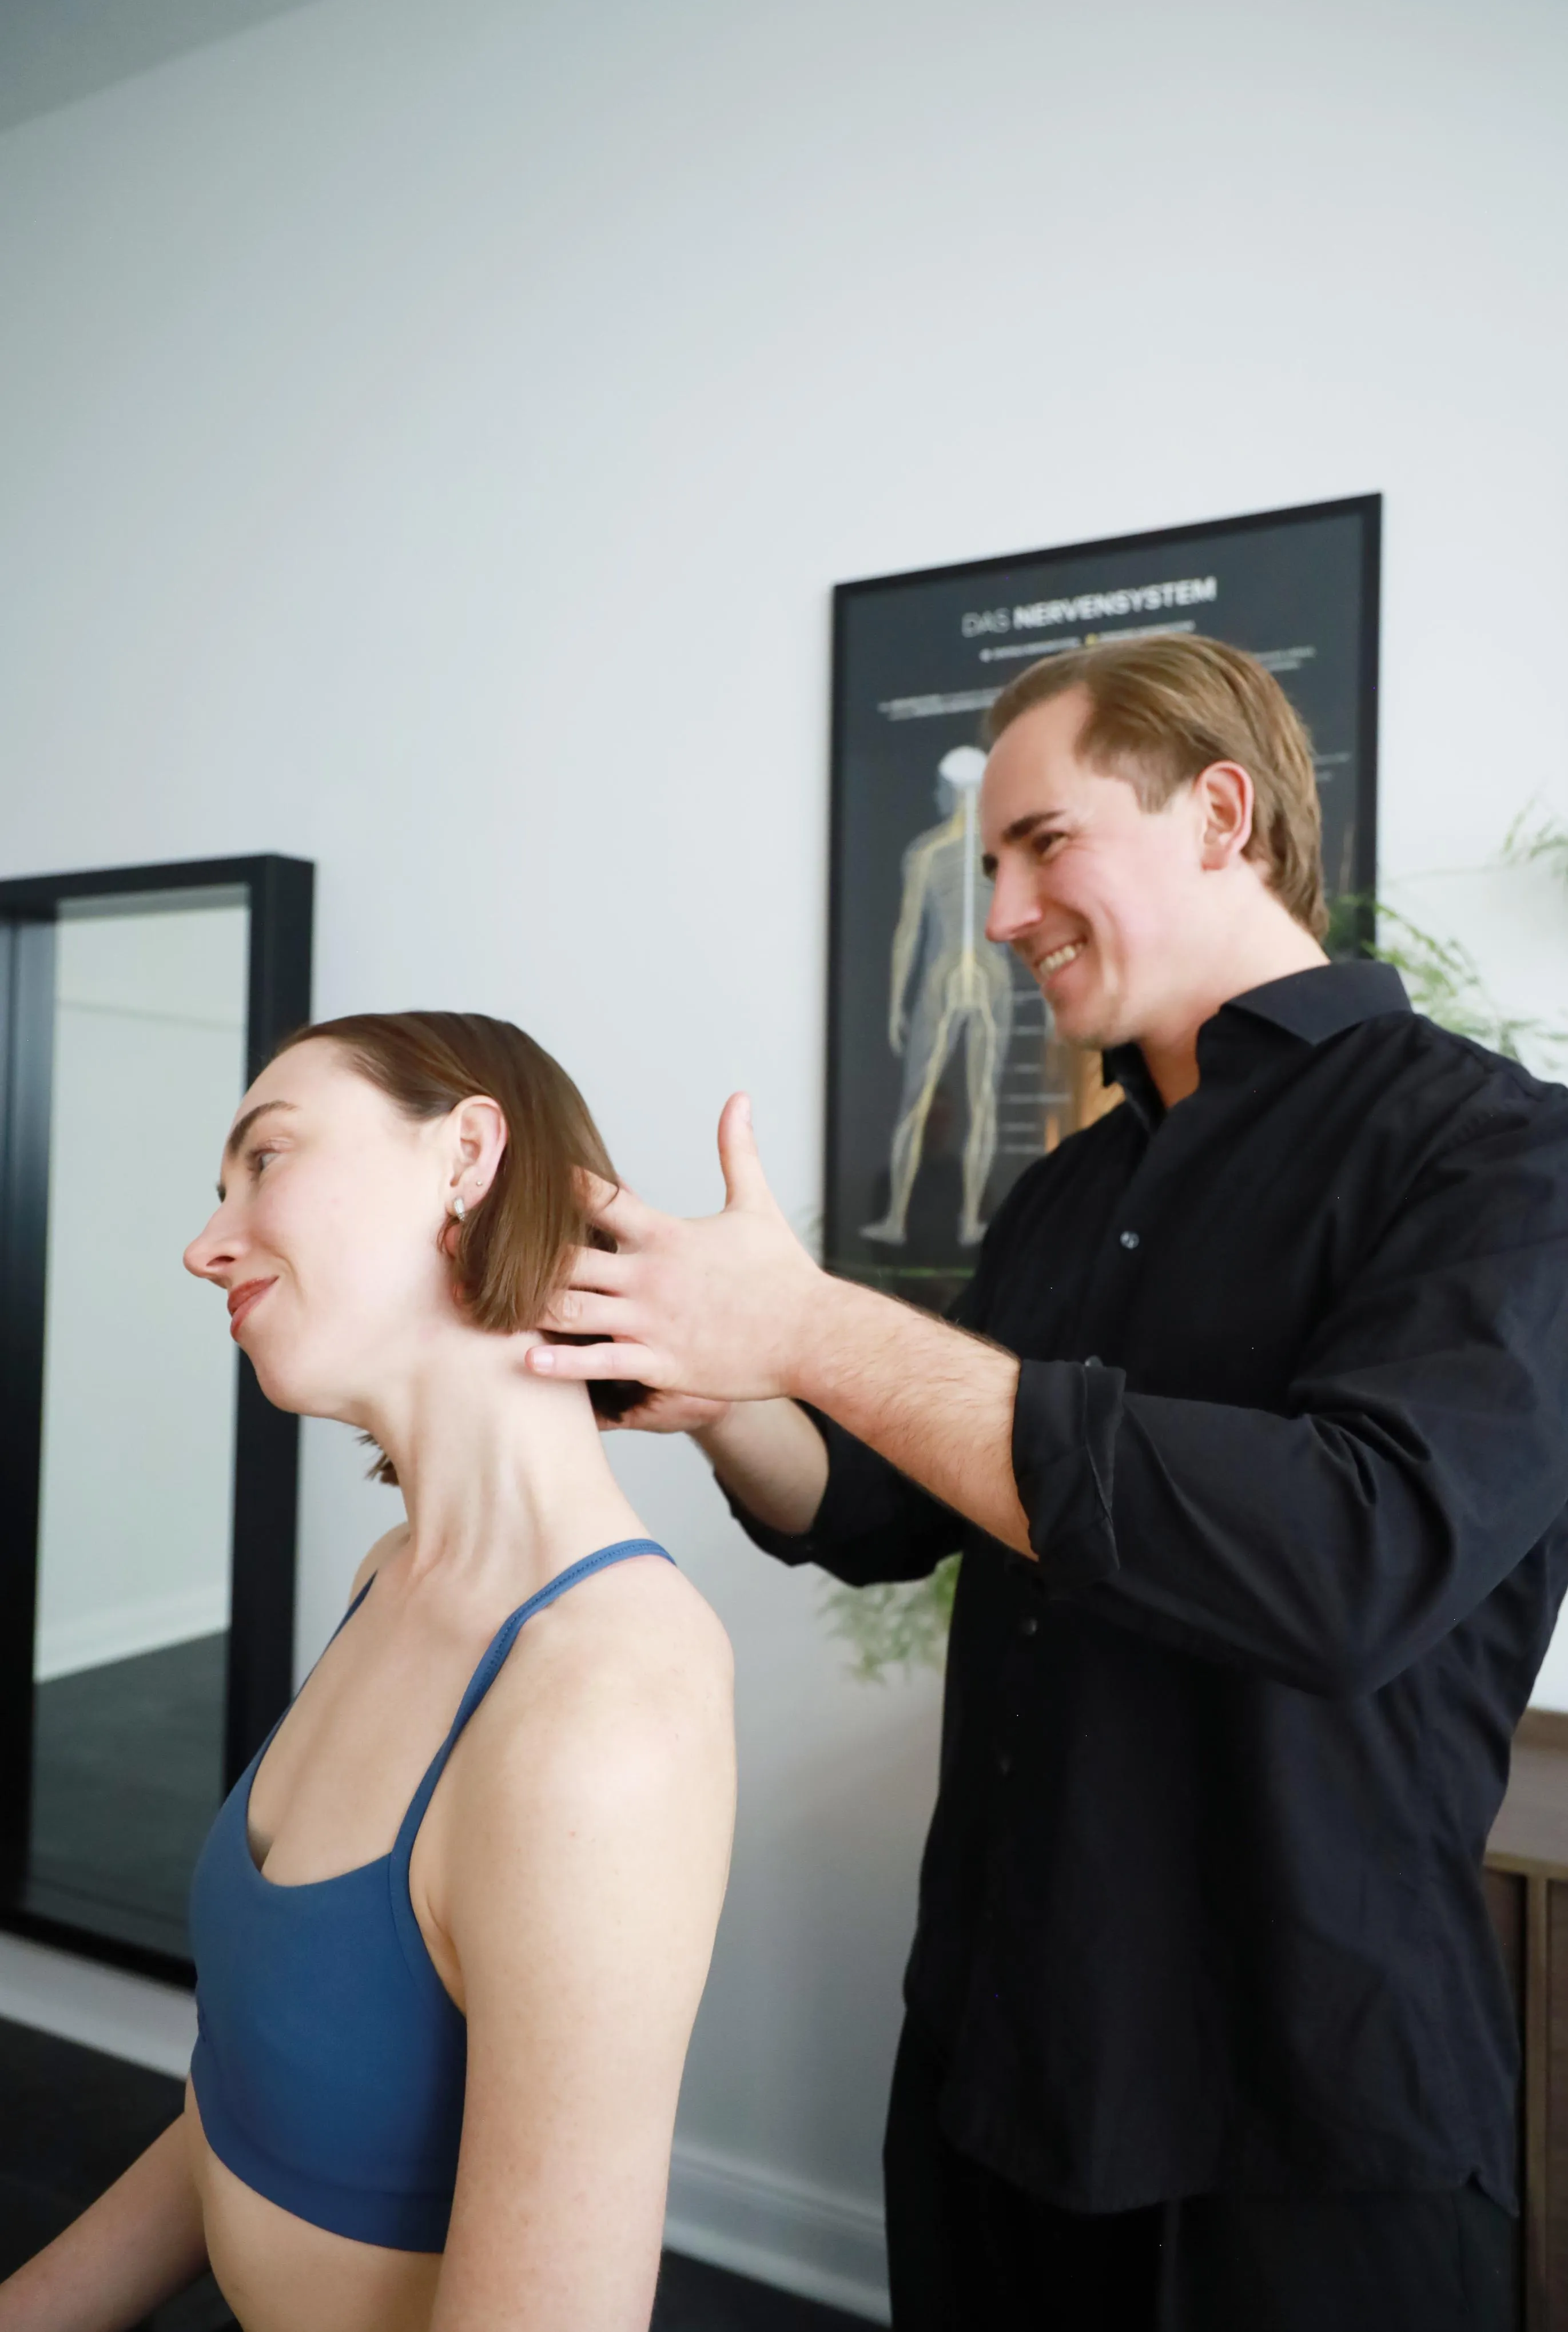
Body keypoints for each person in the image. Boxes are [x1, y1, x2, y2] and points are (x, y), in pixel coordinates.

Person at [524, 634, 1568, 2332]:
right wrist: (728, 1388)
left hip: (1292, 2116)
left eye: (1041, 844)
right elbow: (876, 1511)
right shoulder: (1063, 1197)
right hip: (993, 2065)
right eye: (989, 861)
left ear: (1218, 813)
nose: (998, 911)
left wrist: (812, 1323)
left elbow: (1342, 1552)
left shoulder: (1504, 1156)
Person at [0, 1012, 735, 2332]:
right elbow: (253, 2094)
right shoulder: (389, 1578)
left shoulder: (604, 1700)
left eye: (265, 1159)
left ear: (465, 1155)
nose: (203, 1244)